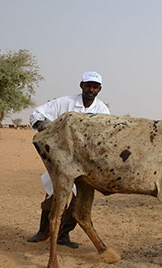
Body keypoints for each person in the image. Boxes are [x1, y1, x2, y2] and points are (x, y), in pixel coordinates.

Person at [27, 71, 110, 248]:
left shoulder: (102, 110)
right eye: (88, 86)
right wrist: (43, 126)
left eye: (95, 87)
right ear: (82, 86)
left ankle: (63, 235)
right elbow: (36, 114)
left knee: (78, 199)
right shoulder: (65, 103)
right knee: (54, 193)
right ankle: (43, 232)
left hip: (87, 163)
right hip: (62, 160)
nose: (91, 90)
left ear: (99, 90)